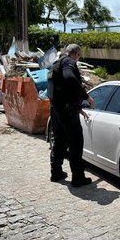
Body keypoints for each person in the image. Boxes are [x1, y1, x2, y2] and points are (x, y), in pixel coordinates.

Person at [48, 44, 95, 187]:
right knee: (76, 143)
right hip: (67, 112)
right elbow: (69, 78)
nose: (78, 59)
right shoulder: (68, 62)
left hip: (56, 109)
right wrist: (86, 97)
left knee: (60, 142)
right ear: (75, 54)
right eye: (79, 56)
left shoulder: (56, 64)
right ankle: (78, 178)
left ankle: (56, 172)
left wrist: (79, 108)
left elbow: (63, 91)